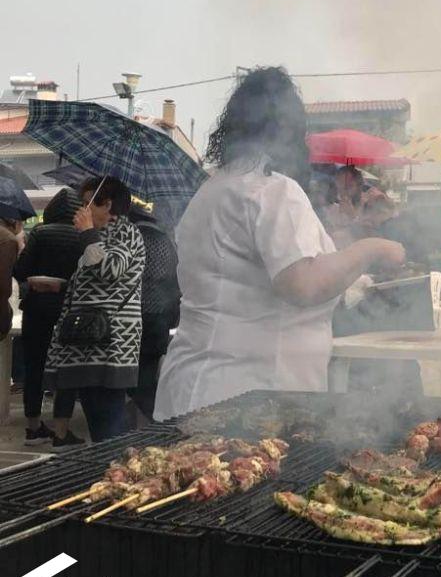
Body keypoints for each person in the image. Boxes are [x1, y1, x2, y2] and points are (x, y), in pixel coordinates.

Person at [153, 67, 405, 420]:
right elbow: (302, 283)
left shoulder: (215, 189)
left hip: (199, 385)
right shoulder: (271, 189)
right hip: (247, 397)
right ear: (288, 130)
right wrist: (372, 248)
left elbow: (272, 265)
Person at [45, 176, 146, 442]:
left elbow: (111, 270)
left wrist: (88, 234)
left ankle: (114, 472)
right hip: (85, 343)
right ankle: (108, 470)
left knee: (109, 423)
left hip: (110, 345)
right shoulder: (99, 235)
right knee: (97, 420)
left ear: (108, 205)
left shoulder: (126, 231)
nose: (82, 210)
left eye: (88, 203)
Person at [12, 188, 83, 447]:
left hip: (36, 309)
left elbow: (21, 270)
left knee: (34, 367)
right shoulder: (82, 236)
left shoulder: (40, 232)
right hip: (70, 311)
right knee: (66, 369)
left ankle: (33, 428)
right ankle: (62, 430)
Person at [126, 207, 181, 424]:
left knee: (131, 376)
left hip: (133, 316)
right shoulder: (167, 242)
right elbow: (176, 279)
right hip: (160, 316)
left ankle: (158, 419)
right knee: (147, 371)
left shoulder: (132, 239)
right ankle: (150, 418)